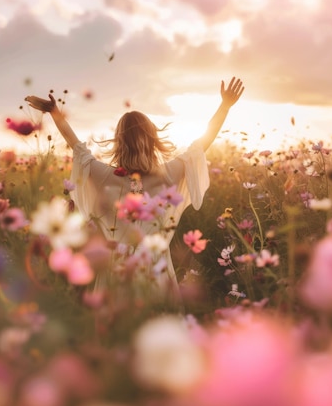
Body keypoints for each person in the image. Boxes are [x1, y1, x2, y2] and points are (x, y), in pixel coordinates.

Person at [26, 77, 244, 306]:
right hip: (156, 267)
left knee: (119, 329)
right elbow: (202, 143)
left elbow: (77, 146)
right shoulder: (169, 173)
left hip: (117, 269)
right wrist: (224, 106)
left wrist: (55, 113)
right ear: (152, 141)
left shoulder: (105, 176)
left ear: (119, 143)